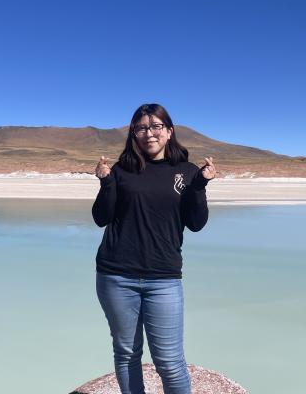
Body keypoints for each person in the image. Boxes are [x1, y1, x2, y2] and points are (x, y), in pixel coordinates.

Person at [91, 103, 216, 394]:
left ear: (169, 132)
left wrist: (200, 186)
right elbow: (101, 218)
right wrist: (106, 182)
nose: (149, 133)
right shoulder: (121, 171)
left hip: (164, 278)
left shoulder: (185, 172)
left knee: (170, 362)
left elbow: (196, 224)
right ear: (134, 134)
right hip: (115, 275)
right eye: (141, 127)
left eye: (156, 126)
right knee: (127, 353)